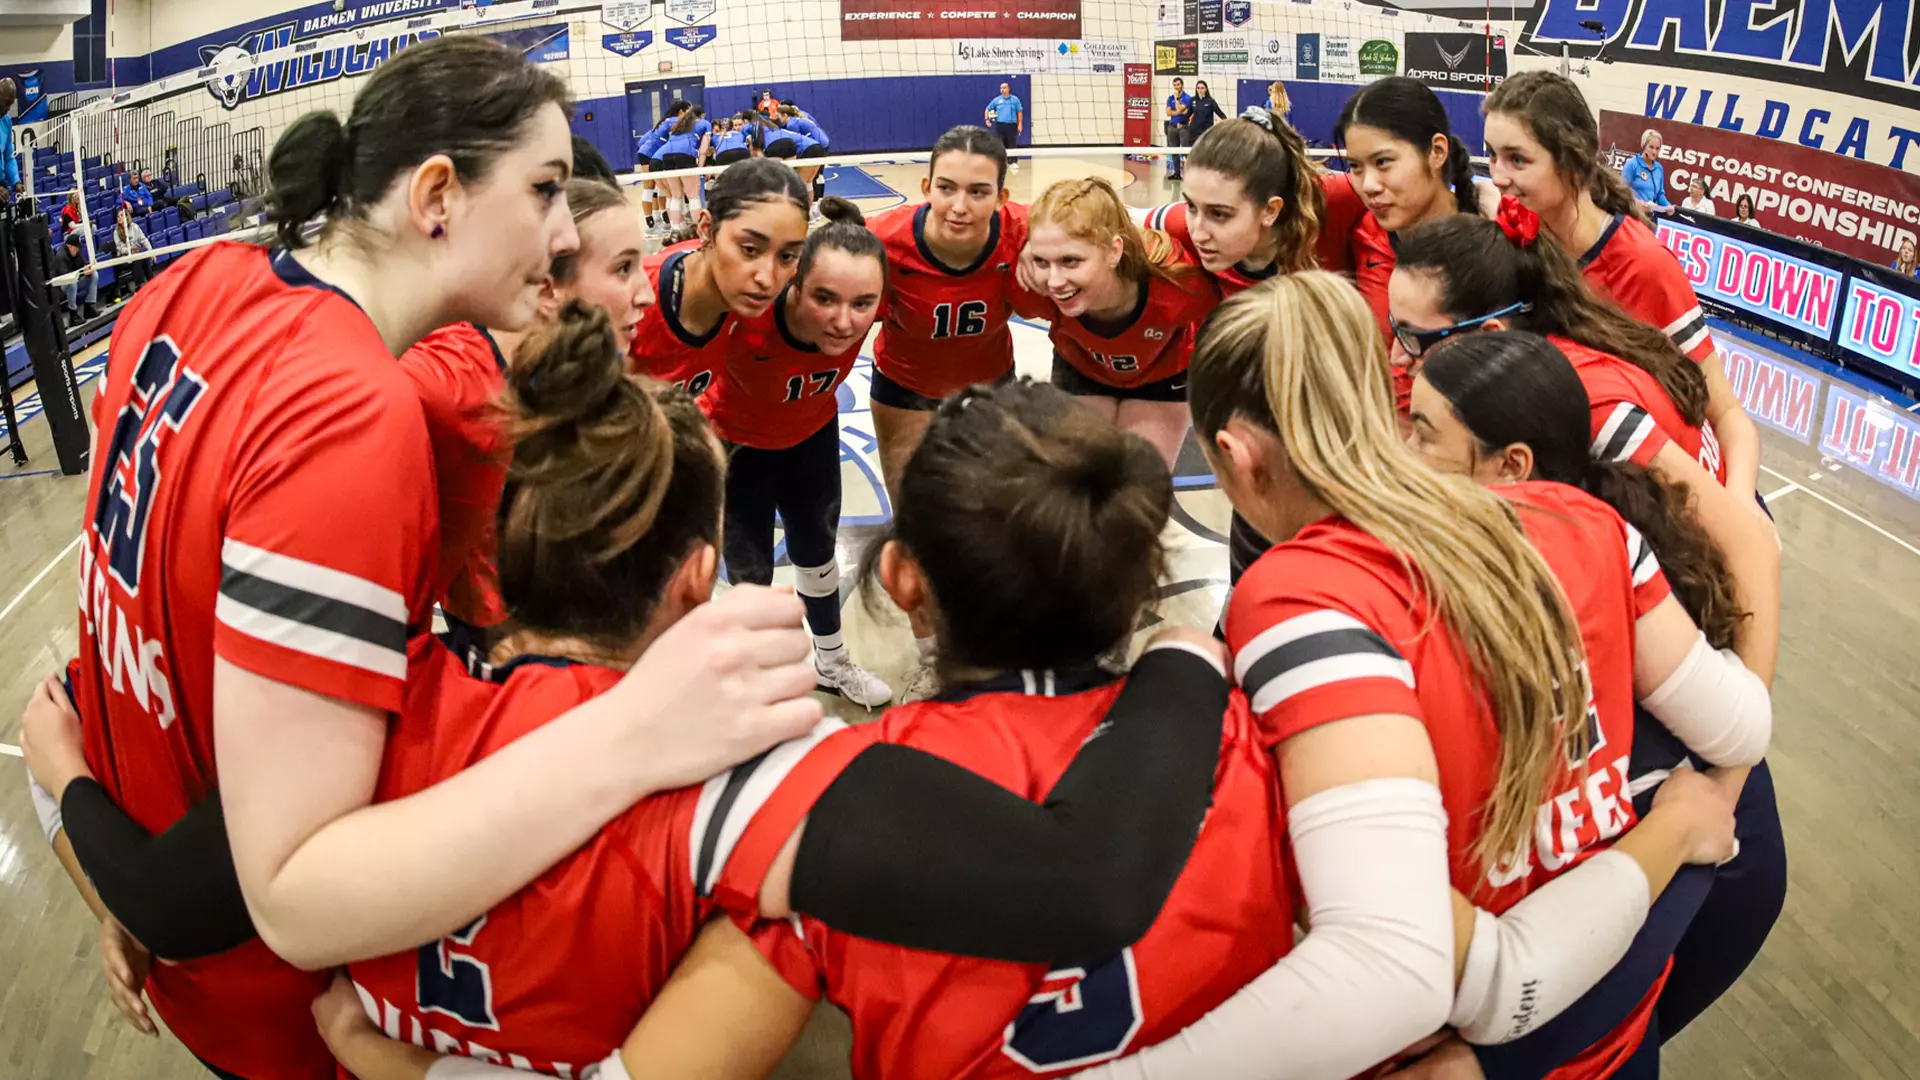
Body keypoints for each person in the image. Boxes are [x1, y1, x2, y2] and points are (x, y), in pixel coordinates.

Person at [21, 38, 824, 1080]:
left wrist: (100, 850)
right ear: (437, 195)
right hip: (294, 1006)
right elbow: (292, 893)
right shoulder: (354, 409)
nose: (563, 230)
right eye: (544, 191)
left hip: (171, 877)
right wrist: (639, 725)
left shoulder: (200, 281)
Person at [1059, 274, 1747, 1079]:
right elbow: (1740, 728)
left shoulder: (1299, 594)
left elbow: (1401, 968)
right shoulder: (1580, 516)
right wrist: (1672, 829)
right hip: (1616, 1036)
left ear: (1235, 456)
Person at [1409, 329, 1789, 1050]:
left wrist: (1699, 813)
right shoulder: (1605, 536)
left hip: (1689, 900)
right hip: (1592, 966)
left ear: (1512, 466)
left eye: (1422, 434)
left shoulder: (1589, 553)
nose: (1402, 453)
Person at [1389, 209, 1781, 687]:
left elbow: (1751, 546)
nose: (1396, 356)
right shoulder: (1546, 346)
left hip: (1713, 612)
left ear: (1488, 335)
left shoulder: (1590, 406)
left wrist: (1745, 721)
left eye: (1412, 337)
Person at [1484, 71, 1764, 505]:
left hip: (1686, 499)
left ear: (1572, 162)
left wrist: (1740, 505)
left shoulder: (1644, 263)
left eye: (1517, 159)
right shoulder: (1514, 229)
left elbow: (1726, 413)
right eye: (1492, 155)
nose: (1498, 176)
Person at [403, 176, 653, 641]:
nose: (646, 293)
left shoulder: (583, 359)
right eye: (623, 269)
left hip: (557, 603)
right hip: (485, 629)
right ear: (548, 287)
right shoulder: (444, 383)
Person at [861, 126, 1030, 702]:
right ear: (925, 186)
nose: (960, 206)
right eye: (947, 188)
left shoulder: (1023, 233)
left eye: (979, 192)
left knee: (991, 523)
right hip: (905, 394)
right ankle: (933, 657)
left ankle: (988, 639)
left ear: (1002, 196)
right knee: (916, 529)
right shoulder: (883, 240)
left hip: (988, 392)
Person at [706, 196, 892, 705]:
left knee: (817, 556)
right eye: (824, 299)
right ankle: (759, 680)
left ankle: (831, 661)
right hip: (738, 452)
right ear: (795, 283)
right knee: (751, 577)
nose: (844, 321)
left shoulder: (869, 295)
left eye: (862, 304)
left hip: (811, 440)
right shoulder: (743, 317)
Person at [1017, 177, 1219, 470]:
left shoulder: (1179, 283)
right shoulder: (1031, 283)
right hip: (1081, 369)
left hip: (1163, 376)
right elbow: (992, 217)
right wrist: (1026, 241)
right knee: (1075, 478)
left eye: (1071, 261)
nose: (1055, 281)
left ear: (1114, 251)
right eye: (1041, 261)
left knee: (1139, 482)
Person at [1333, 76, 1491, 393]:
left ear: (1436, 151)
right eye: (1355, 166)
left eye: (1383, 162)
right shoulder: (1357, 225)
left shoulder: (1499, 235)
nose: (1368, 185)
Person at [631, 158, 808, 403]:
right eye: (749, 249)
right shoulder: (632, 301)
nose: (766, 279)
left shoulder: (763, 303)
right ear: (706, 229)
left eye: (787, 256)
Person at [659, 104, 712, 226]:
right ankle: (697, 229)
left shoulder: (678, 124)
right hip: (685, 154)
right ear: (702, 115)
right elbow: (704, 149)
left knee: (676, 196)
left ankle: (675, 229)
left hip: (667, 156)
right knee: (693, 196)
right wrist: (699, 170)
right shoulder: (704, 123)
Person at [778, 104, 832, 209]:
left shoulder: (791, 125)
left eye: (779, 116)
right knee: (817, 175)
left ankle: (812, 204)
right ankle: (818, 201)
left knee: (809, 177)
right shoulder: (800, 118)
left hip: (817, 145)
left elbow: (796, 142)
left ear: (784, 115)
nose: (778, 119)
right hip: (824, 143)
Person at [49, 231, 99, 323]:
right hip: (62, 286)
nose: (78, 250)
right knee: (72, 282)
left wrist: (88, 268)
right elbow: (66, 276)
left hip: (76, 280)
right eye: (76, 248)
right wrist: (83, 273)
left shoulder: (76, 252)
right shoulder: (61, 256)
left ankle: (89, 307)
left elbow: (84, 263)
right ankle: (73, 314)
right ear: (70, 246)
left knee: (94, 274)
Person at [111, 203, 154, 297]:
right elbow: (120, 250)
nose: (119, 218)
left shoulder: (134, 226)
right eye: (118, 216)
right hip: (124, 259)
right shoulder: (116, 232)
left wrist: (151, 251)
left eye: (121, 215)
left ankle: (152, 282)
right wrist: (130, 248)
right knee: (138, 258)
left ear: (127, 217)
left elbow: (143, 239)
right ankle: (139, 286)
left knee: (144, 256)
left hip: (135, 255)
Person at [1621, 128, 1670, 208]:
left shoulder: (1659, 168)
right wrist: (1638, 203)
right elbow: (1622, 191)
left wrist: (1668, 207)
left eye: (1657, 148)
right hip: (1633, 211)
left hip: (1650, 213)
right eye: (1651, 147)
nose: (1654, 152)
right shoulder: (1632, 164)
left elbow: (1660, 195)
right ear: (1644, 146)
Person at [985, 81, 1024, 167]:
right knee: (1000, 144)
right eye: (1001, 88)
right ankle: (1002, 162)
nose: (1002, 89)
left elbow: (1019, 112)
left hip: (1012, 125)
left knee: (1012, 143)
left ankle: (1013, 162)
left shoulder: (1015, 99)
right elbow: (987, 109)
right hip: (1000, 125)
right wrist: (987, 119)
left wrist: (1020, 124)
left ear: (1009, 89)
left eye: (1004, 87)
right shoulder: (997, 100)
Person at [1164, 77, 1192, 180]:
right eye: (1175, 85)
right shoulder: (1170, 98)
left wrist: (1176, 100)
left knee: (1185, 151)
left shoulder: (1187, 98)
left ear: (1182, 85)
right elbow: (1168, 113)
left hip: (1183, 126)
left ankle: (1188, 173)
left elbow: (1180, 109)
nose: (1176, 87)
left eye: (1178, 84)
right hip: (1172, 126)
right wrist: (1179, 111)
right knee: (1174, 150)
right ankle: (1177, 173)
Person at [0, 78, 17, 205]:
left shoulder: (6, 121)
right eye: (6, 103)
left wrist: (16, 181)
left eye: (11, 104)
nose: (8, 108)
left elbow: (9, 157)